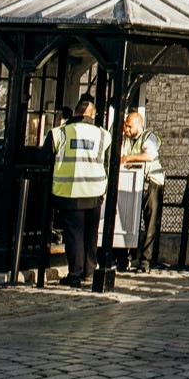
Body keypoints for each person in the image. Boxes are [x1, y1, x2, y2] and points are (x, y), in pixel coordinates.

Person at [49, 95, 108, 287]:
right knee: (91, 233)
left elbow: (43, 158)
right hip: (95, 189)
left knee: (74, 234)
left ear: (75, 112)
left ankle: (75, 274)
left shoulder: (60, 133)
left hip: (70, 190)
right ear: (92, 114)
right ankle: (89, 271)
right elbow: (108, 161)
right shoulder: (103, 134)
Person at [119, 110, 164, 272]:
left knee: (150, 222)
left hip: (150, 181)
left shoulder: (148, 137)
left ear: (139, 124)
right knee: (126, 220)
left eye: (129, 126)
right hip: (129, 181)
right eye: (125, 126)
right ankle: (123, 257)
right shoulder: (126, 139)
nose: (126, 129)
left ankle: (146, 261)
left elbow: (150, 155)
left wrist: (127, 159)